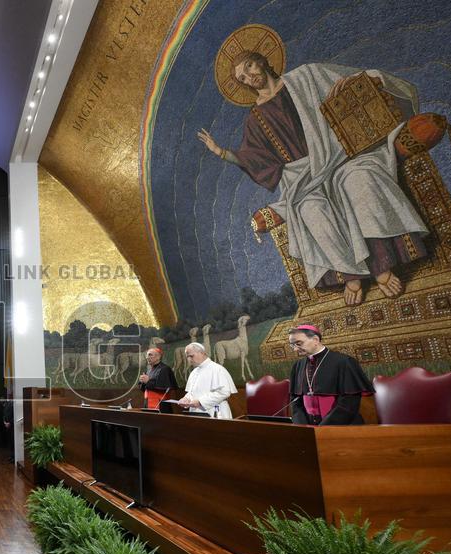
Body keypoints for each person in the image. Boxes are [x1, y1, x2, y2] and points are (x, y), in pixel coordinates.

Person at [197, 25, 427, 306]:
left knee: (358, 181)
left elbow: (355, 81)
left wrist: (350, 83)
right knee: (310, 210)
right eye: (242, 78)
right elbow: (254, 158)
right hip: (302, 178)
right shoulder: (255, 119)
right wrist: (222, 153)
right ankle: (351, 274)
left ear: (262, 60)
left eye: (249, 66)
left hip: (340, 156)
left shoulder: (306, 77)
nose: (249, 76)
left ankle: (381, 267)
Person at [287, 324, 373, 425]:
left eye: (299, 343)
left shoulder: (344, 362)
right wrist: (302, 426)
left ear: (315, 340)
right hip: (309, 427)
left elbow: (349, 401)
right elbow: (295, 401)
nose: (295, 349)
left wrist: (324, 427)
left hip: (341, 426)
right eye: (292, 345)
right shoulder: (298, 366)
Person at [178, 342, 237, 419]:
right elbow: (193, 392)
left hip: (215, 411)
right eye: (187, 357)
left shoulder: (217, 369)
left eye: (191, 356)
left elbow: (224, 392)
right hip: (195, 412)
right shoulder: (194, 372)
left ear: (202, 353)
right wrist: (186, 398)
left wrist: (200, 402)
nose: (189, 360)